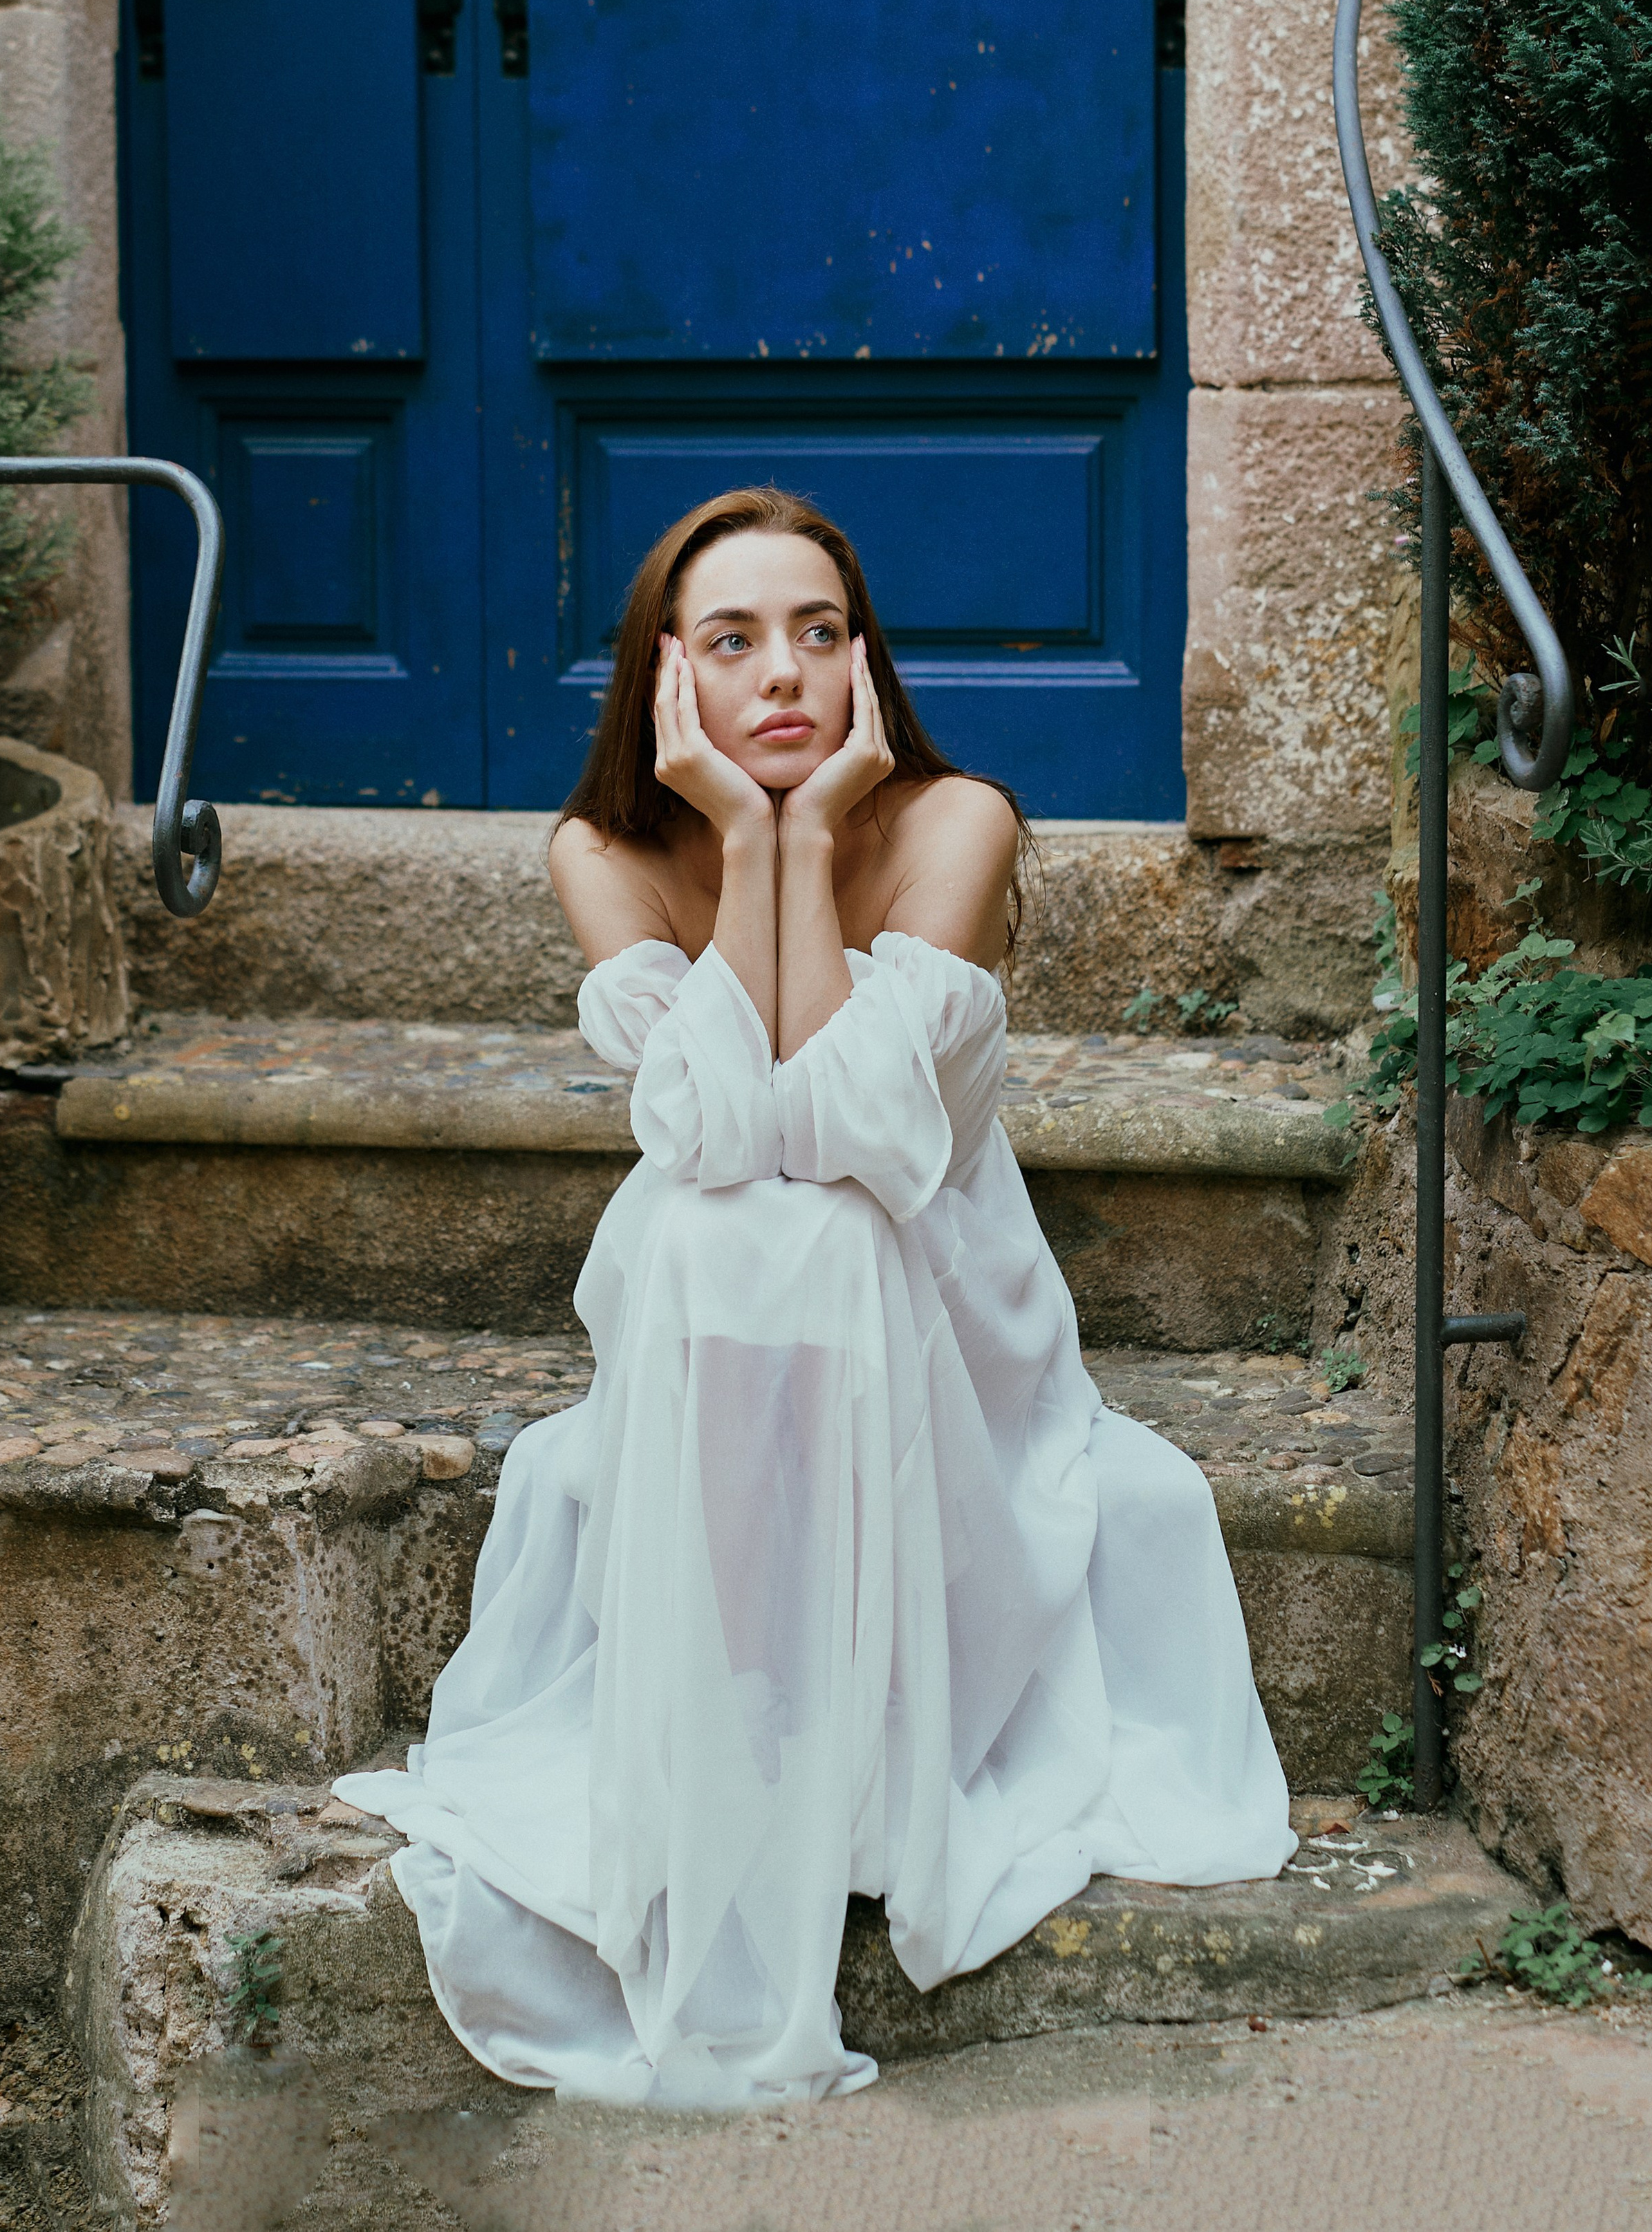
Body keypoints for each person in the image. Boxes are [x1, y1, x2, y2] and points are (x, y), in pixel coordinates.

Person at [335, 485, 1294, 2108]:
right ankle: (741, 1750)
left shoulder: (951, 820)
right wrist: (747, 830)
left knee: (810, 1229)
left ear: (865, 658)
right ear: (663, 680)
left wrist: (799, 827)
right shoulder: (604, 847)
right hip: (720, 1326)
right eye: (730, 641)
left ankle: (822, 1771)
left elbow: (847, 1133)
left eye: (819, 634)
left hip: (944, 1326)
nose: (783, 674)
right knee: (735, 1228)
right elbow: (722, 1135)